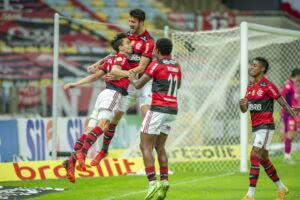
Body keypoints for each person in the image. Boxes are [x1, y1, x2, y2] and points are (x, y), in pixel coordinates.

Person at [88, 8, 155, 165]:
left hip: (143, 82)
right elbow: (117, 52)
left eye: (133, 21)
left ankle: (148, 152)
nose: (130, 24)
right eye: (129, 21)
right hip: (128, 84)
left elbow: (143, 66)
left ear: (141, 22)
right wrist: (100, 62)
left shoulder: (149, 42)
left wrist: (121, 73)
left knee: (147, 116)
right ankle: (103, 151)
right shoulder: (128, 36)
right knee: (113, 120)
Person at [63, 33, 132, 182]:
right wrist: (129, 73)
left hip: (103, 94)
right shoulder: (121, 57)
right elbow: (115, 71)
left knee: (89, 130)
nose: (130, 45)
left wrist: (76, 83)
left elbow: (94, 77)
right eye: (127, 43)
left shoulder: (111, 59)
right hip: (114, 94)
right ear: (120, 47)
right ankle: (83, 152)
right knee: (104, 125)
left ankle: (70, 162)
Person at [129, 38, 181, 200]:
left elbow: (138, 85)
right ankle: (164, 180)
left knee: (145, 146)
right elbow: (178, 86)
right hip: (172, 110)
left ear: (157, 50)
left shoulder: (156, 64)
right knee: (160, 146)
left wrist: (131, 77)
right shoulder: (176, 65)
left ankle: (152, 183)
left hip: (158, 108)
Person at [240, 57, 296, 200]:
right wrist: (242, 104)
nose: (251, 67)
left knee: (254, 155)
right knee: (264, 159)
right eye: (251, 65)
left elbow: (282, 102)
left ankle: (250, 195)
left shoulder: (268, 85)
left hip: (266, 126)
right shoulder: (250, 87)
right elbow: (245, 109)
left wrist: (293, 114)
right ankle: (281, 188)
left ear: (262, 69)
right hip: (256, 127)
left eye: (254, 65)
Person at [281, 68, 300, 164]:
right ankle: (287, 156)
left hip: (293, 113)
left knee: (291, 135)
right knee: (290, 134)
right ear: (297, 75)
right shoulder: (289, 85)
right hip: (289, 114)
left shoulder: (293, 85)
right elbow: (285, 101)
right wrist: (293, 115)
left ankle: (287, 155)